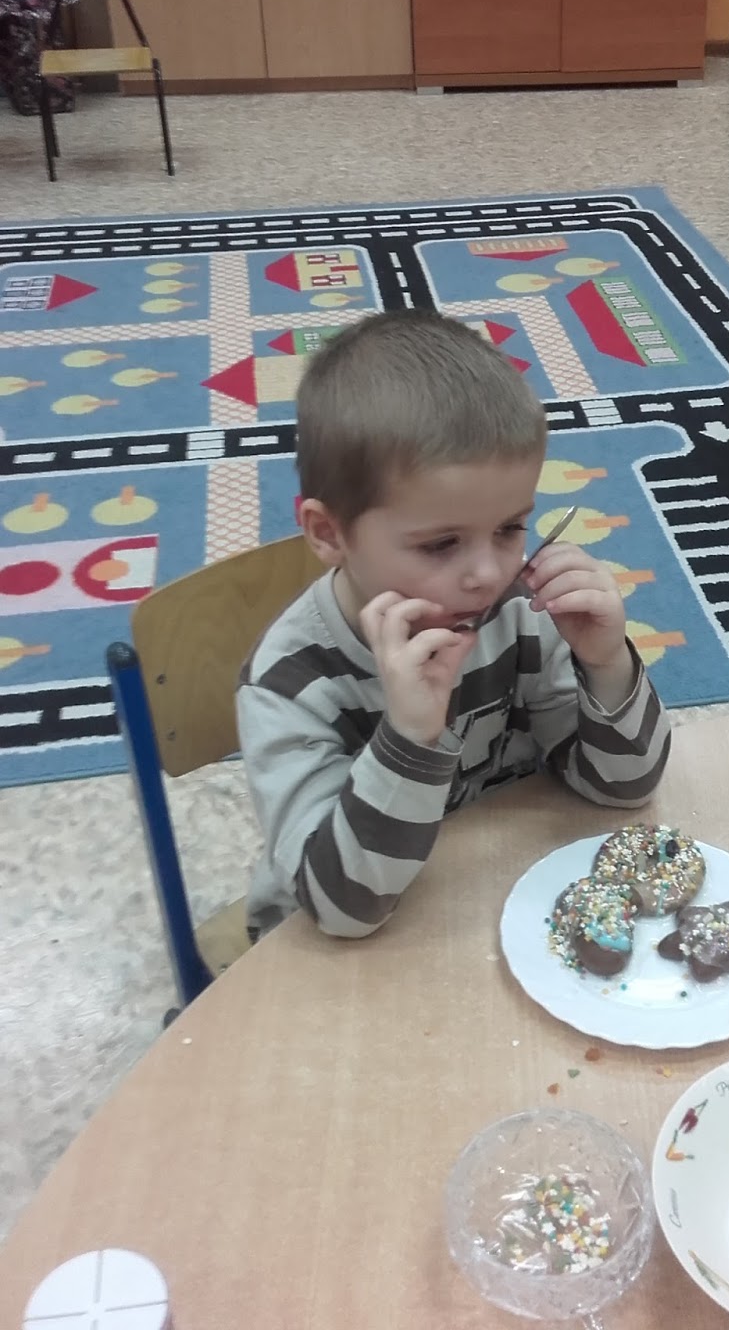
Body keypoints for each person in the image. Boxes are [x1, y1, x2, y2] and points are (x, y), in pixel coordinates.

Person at [238, 310, 670, 939]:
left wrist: (607, 665)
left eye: (510, 528)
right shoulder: (289, 683)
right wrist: (410, 736)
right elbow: (344, 910)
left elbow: (622, 788)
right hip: (341, 940)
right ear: (328, 533)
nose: (489, 574)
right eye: (441, 544)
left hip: (481, 889)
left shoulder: (518, 612)